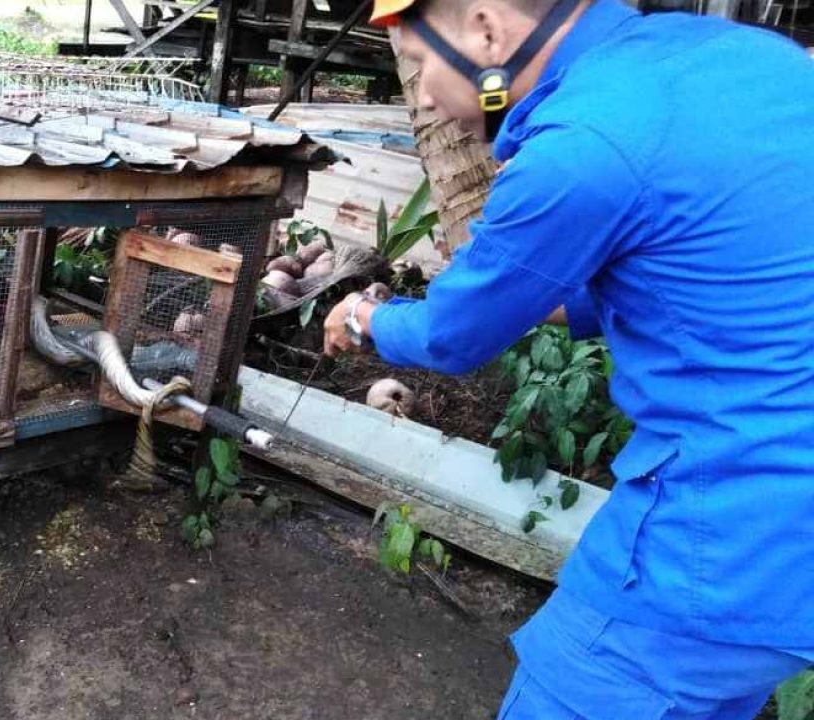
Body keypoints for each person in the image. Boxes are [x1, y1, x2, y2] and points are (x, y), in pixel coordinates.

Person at [320, 0, 814, 716]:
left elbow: (452, 335)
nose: (423, 96)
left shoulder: (583, 141)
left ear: (486, 29)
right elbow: (683, 279)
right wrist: (523, 290)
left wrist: (364, 317)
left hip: (723, 546)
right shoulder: (751, 61)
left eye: (421, 64)